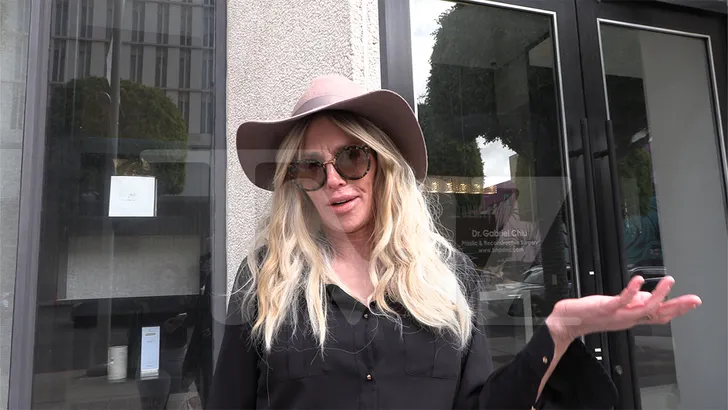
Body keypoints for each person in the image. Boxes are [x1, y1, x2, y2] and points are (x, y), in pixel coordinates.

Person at [206, 74, 701, 409]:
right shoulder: (266, 278)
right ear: (297, 183)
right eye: (312, 166)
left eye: (352, 157)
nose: (334, 180)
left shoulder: (448, 276)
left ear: (382, 164)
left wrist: (559, 330)